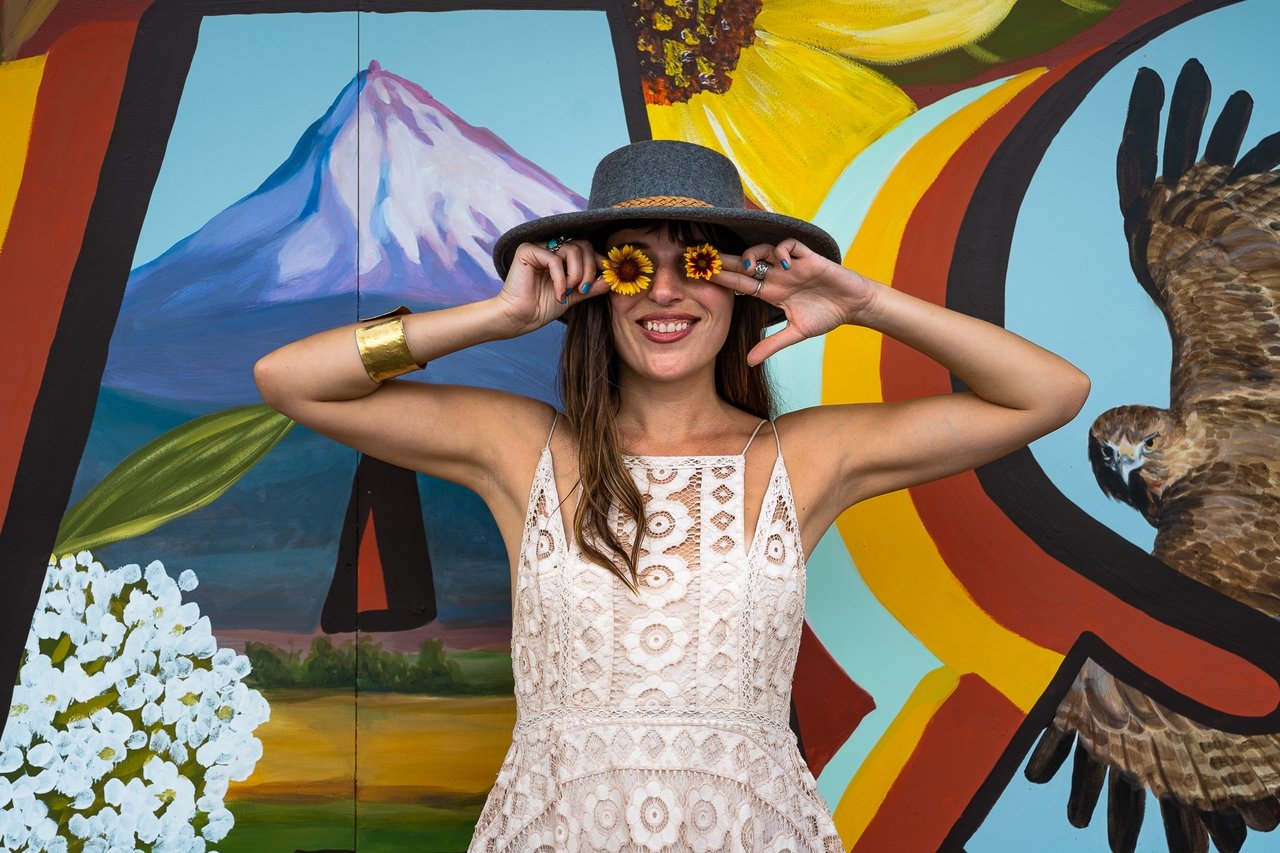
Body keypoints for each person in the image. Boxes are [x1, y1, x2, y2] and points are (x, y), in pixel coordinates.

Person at [255, 140, 1089, 851]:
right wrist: (495, 316)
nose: (664, 292)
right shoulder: (523, 448)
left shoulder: (801, 457)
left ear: (740, 287)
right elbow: (290, 380)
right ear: (595, 290)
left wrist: (867, 303)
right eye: (631, 264)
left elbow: (1047, 393)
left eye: (695, 262)